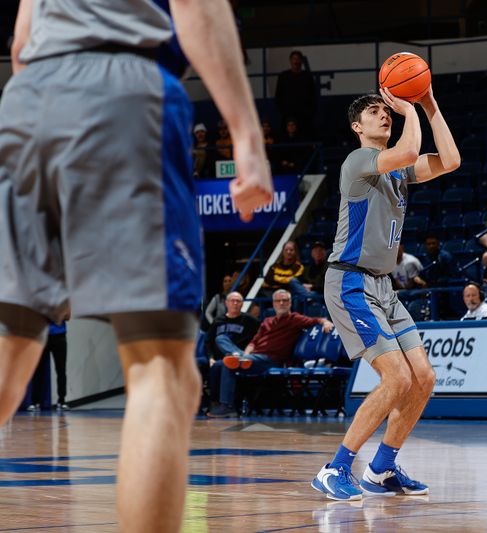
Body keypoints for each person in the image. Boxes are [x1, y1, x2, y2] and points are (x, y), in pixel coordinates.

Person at [1, 1, 274, 530]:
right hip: (124, 90)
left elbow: (19, 44)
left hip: (28, 98)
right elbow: (196, 5)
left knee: (10, 346)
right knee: (162, 368)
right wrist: (246, 136)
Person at [314, 83, 459, 500]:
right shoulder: (358, 160)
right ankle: (334, 468)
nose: (385, 114)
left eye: (387, 110)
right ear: (358, 126)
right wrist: (409, 108)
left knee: (424, 378)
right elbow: (410, 151)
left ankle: (381, 469)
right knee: (395, 378)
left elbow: (450, 160)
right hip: (350, 281)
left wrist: (429, 103)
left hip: (383, 286)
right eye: (376, 112)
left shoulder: (395, 170)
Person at [207, 289, 333, 418]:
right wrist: (245, 355)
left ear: (290, 303)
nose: (282, 303)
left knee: (227, 363)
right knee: (220, 342)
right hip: (252, 357)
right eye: (278, 301)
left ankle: (227, 406)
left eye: (285, 300)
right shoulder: (267, 321)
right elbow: (253, 343)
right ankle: (238, 359)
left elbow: (317, 320)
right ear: (273, 304)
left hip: (270, 359)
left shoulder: (295, 319)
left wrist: (326, 322)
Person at [275, 50, 317, 136]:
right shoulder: (283, 76)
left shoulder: (307, 76)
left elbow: (313, 95)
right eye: (294, 59)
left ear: (301, 61)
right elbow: (278, 95)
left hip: (304, 115)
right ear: (290, 60)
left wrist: (309, 111)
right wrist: (283, 111)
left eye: (298, 59)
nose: (296, 61)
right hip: (287, 114)